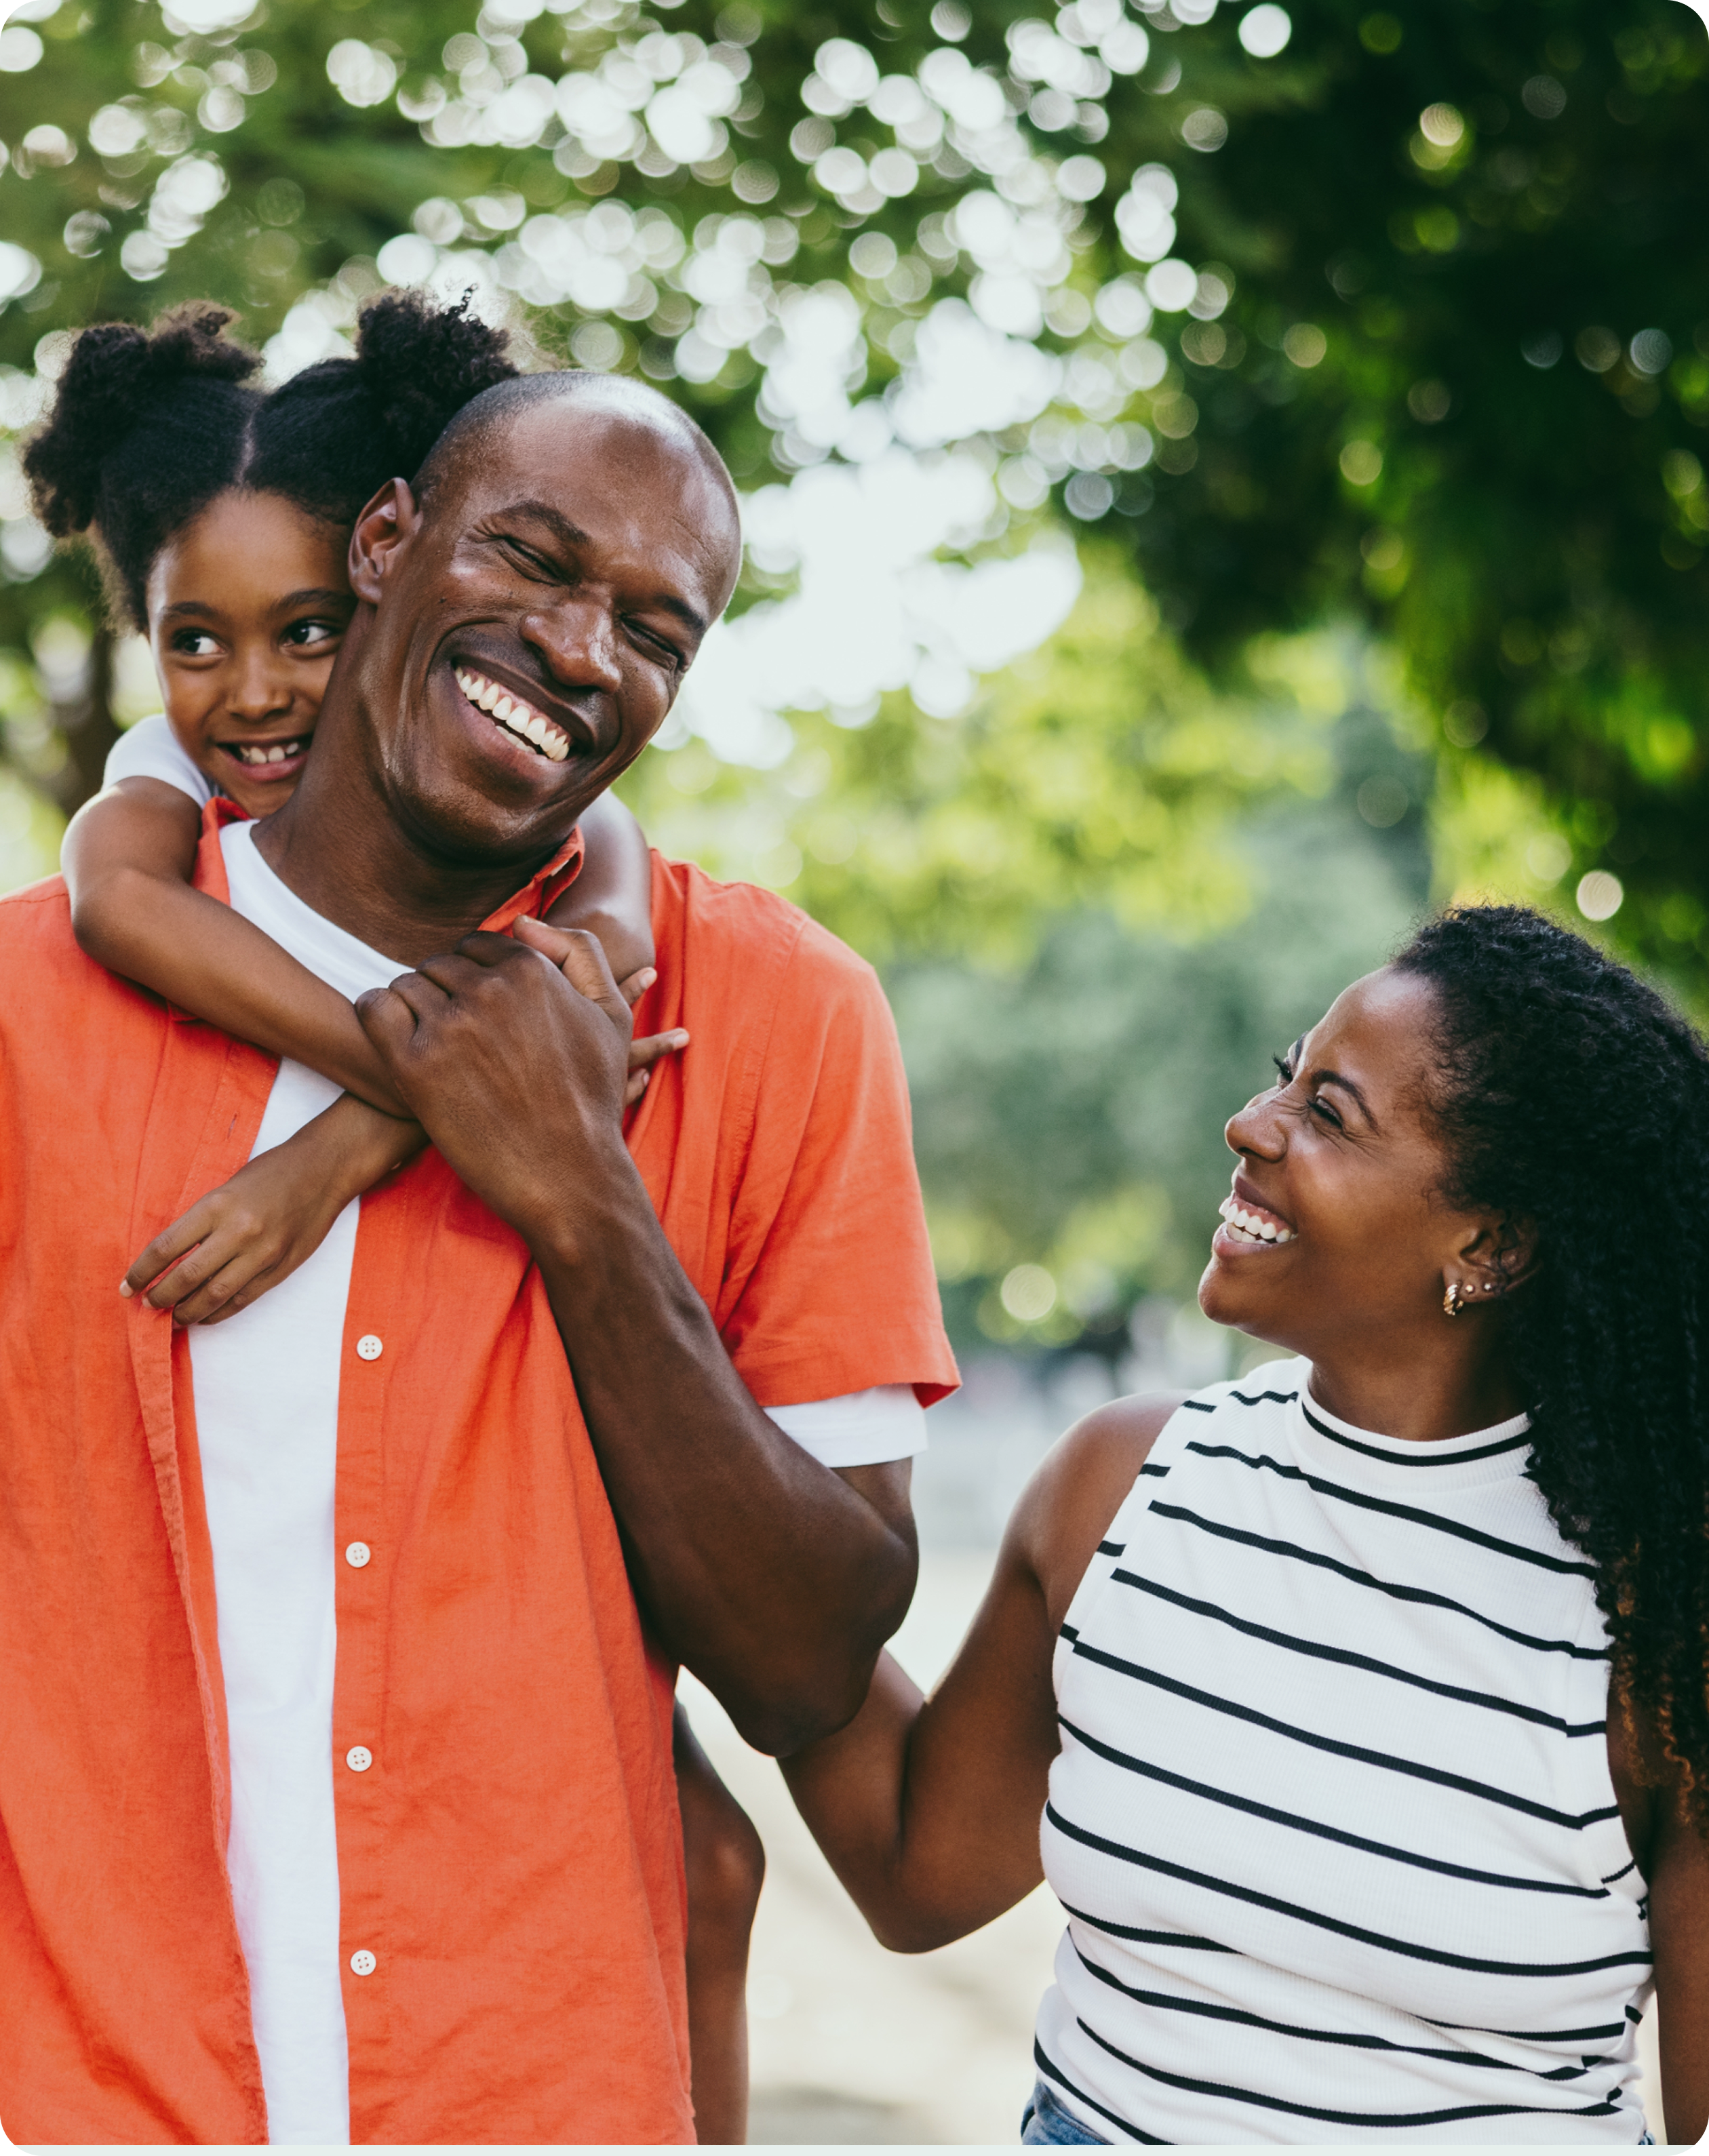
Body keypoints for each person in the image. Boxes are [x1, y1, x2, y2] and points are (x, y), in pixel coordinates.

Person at [0, 358, 956, 2144]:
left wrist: (582, 1195)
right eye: (527, 558)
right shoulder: (28, 1001)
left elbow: (812, 1659)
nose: (584, 649)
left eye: (656, 630)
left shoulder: (777, 1015)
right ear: (385, 541)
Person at [781, 905, 1708, 2148]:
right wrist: (719, 1497)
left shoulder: (1657, 1626)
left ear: (1487, 1243)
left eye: (1328, 1114)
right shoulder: (1127, 1483)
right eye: (1288, 1077)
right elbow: (913, 1865)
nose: (1249, 1126)